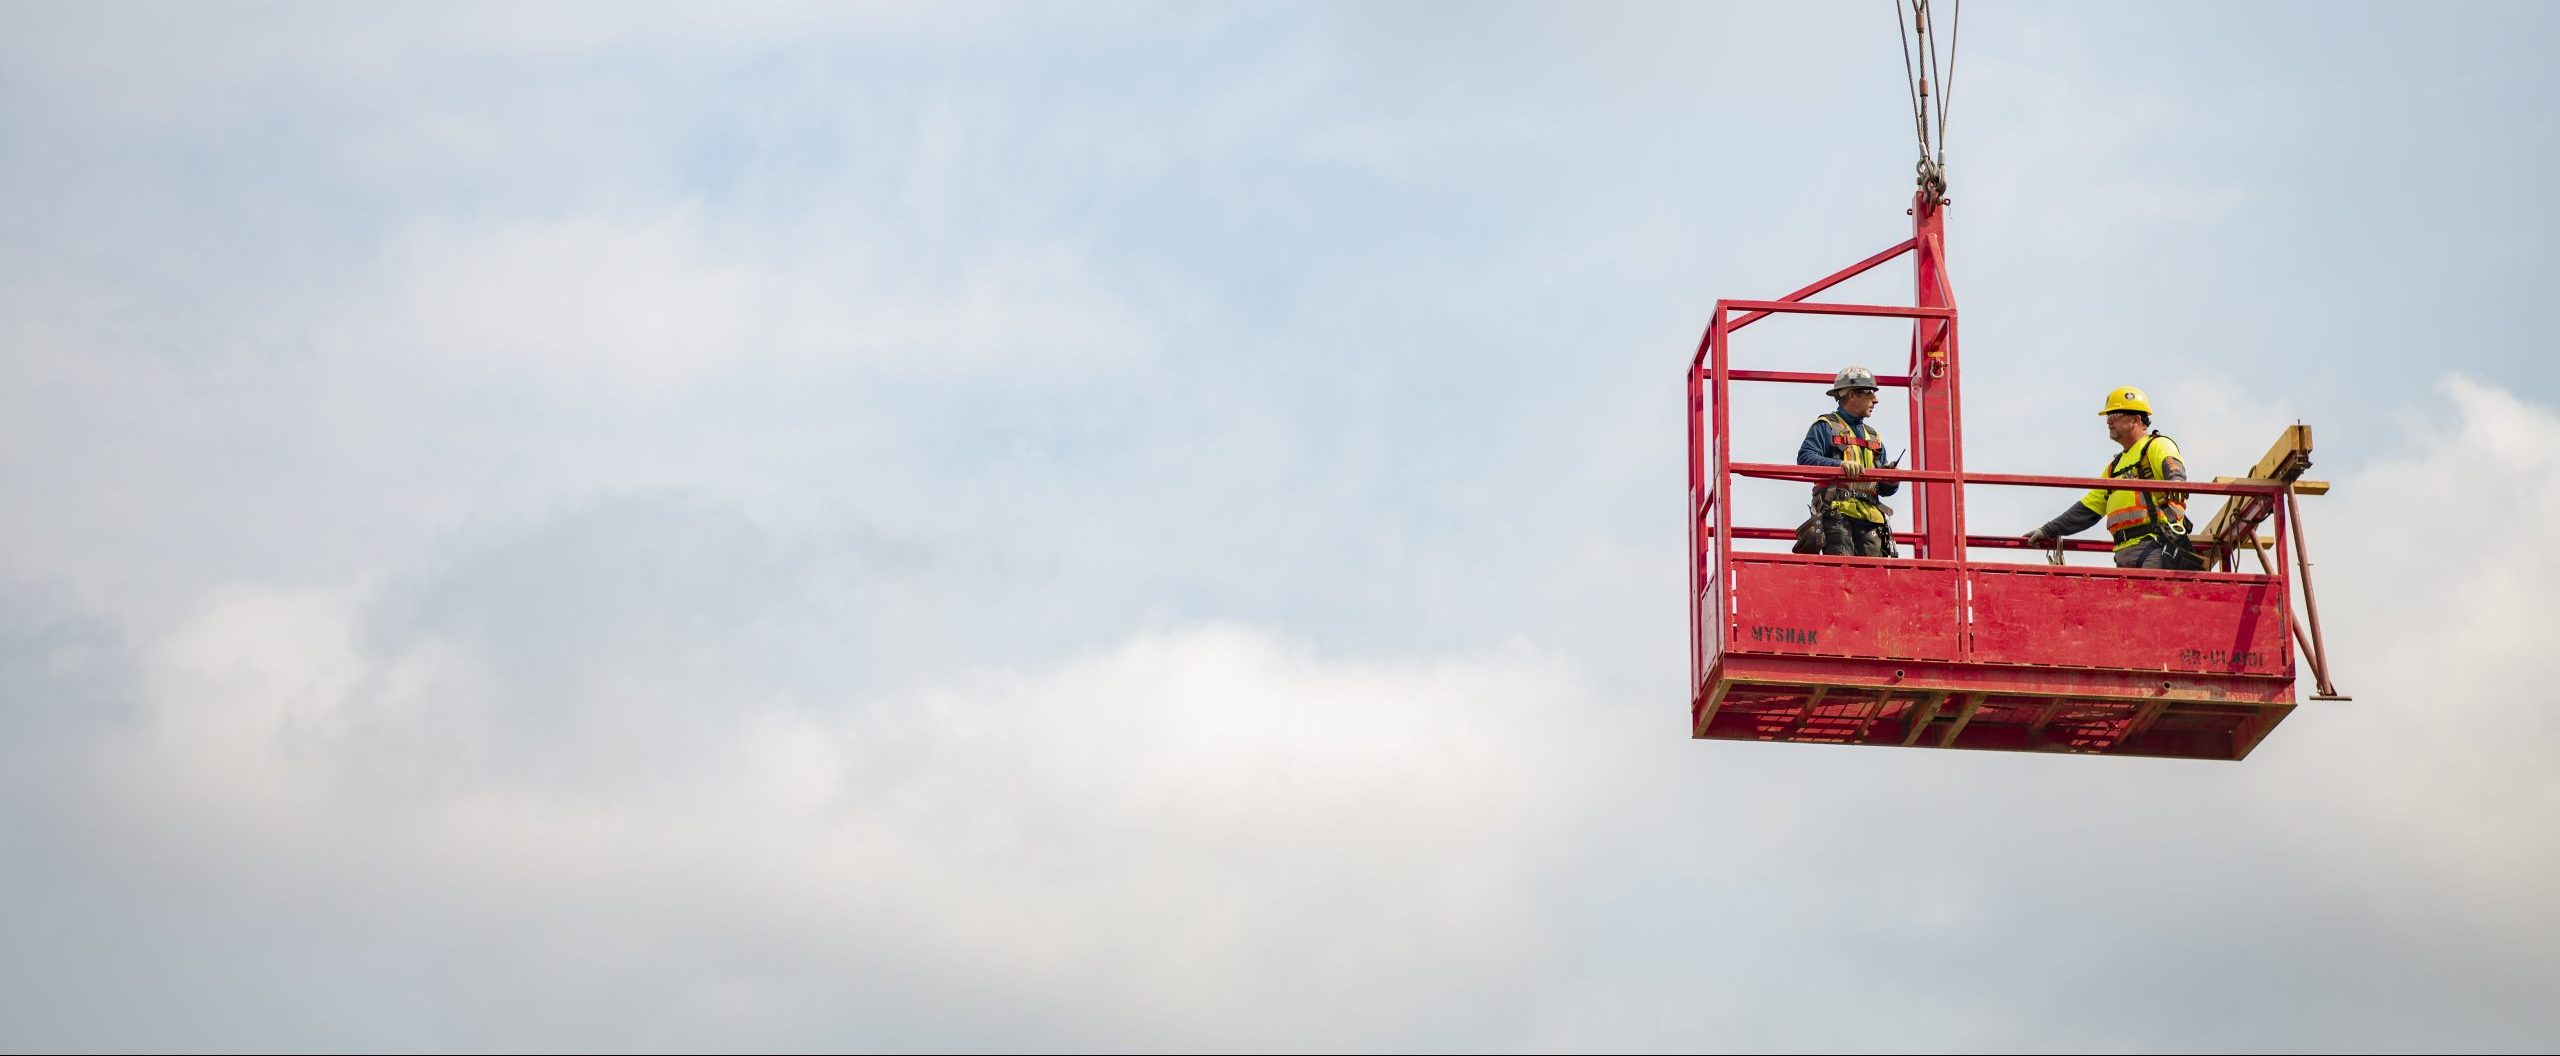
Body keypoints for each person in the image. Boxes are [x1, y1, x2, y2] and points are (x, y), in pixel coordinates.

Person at [2022, 386, 2205, 570]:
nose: (2109, 422)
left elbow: (2173, 467)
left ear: (2136, 419)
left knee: (2152, 598)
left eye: (2114, 415)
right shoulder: (2114, 467)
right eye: (2107, 417)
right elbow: (2087, 509)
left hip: (2155, 545)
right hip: (2123, 553)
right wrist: (2048, 530)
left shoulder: (2156, 446)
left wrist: (2176, 483)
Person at [1795, 365, 1900, 557]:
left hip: (1871, 519)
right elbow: (1805, 459)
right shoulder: (1826, 426)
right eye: (1869, 393)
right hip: (1837, 515)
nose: (1875, 400)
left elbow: (1885, 490)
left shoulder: (1873, 436)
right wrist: (1840, 465)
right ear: (1852, 395)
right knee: (1842, 574)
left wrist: (1890, 480)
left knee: (1873, 578)